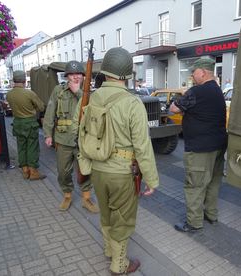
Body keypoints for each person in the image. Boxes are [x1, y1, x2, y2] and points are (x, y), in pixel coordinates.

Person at [76, 47, 159, 275]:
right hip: (122, 173)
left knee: (106, 213)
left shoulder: (91, 98)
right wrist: (151, 179)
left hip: (97, 169)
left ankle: (108, 250)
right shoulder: (132, 103)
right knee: (122, 219)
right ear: (128, 73)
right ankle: (119, 264)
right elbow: (142, 147)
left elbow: (82, 132)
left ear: (105, 71)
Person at [170, 56, 228, 233]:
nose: (192, 76)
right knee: (213, 182)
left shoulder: (197, 91)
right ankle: (211, 215)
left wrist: (183, 94)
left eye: (193, 72)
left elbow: (174, 108)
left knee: (195, 185)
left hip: (200, 148)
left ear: (203, 72)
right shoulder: (217, 90)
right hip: (218, 145)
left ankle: (194, 222)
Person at [43, 60, 99, 213]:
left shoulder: (89, 93)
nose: (75, 77)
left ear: (83, 76)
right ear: (67, 76)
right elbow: (50, 113)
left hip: (83, 140)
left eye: (78, 74)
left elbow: (94, 111)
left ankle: (86, 198)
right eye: (72, 74)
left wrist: (79, 92)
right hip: (63, 138)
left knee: (85, 170)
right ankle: (67, 195)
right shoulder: (58, 91)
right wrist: (48, 134)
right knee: (63, 171)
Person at [6, 71, 46, 180]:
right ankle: (33, 172)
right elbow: (41, 107)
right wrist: (33, 108)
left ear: (14, 80)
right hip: (29, 123)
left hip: (17, 123)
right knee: (32, 147)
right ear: (24, 80)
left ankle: (25, 170)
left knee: (21, 147)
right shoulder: (29, 93)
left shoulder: (9, 94)